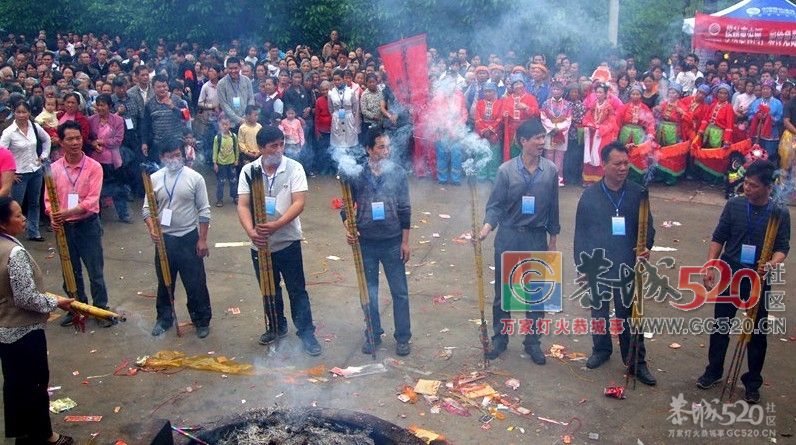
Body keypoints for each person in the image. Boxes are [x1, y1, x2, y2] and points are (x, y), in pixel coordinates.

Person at [696, 160, 789, 404]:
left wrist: (772, 263)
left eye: (753, 185)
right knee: (721, 325)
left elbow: (782, 248)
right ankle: (714, 370)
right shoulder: (735, 205)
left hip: (759, 276)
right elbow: (719, 237)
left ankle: (752, 381)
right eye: (746, 183)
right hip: (730, 272)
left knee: (756, 332)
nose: (747, 188)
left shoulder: (779, 212)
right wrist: (710, 265)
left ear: (768, 187)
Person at [476, 118, 560, 365]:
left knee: (536, 295)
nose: (541, 143)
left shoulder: (551, 171)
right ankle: (500, 339)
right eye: (537, 138)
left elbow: (554, 208)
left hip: (536, 238)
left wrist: (552, 241)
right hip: (509, 237)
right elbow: (495, 207)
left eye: (543, 138)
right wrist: (485, 230)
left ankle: (533, 342)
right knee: (503, 293)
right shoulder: (506, 171)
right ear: (523, 141)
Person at [573, 141, 656, 386]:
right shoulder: (590, 196)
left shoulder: (638, 193)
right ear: (604, 165)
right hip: (598, 263)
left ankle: (636, 361)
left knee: (629, 314)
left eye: (626, 163)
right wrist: (583, 267)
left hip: (627, 263)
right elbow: (581, 235)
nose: (623, 168)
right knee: (599, 309)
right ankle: (601, 349)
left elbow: (647, 226)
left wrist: (646, 248)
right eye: (617, 163)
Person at [236, 125, 322, 356]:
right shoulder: (249, 171)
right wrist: (250, 231)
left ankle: (306, 333)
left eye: (281, 144)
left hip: (288, 241)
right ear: (261, 148)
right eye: (273, 145)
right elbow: (243, 204)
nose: (279, 149)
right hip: (260, 243)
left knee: (297, 290)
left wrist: (278, 224)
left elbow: (298, 202)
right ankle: (276, 326)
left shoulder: (294, 168)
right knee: (268, 289)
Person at [0, 196, 75, 445]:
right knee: (34, 384)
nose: (23, 220)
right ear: (3, 223)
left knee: (15, 385)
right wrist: (57, 302)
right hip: (24, 329)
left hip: (4, 329)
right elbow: (26, 298)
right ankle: (44, 435)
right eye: (18, 216)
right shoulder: (14, 253)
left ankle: (22, 432)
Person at [342, 128, 412, 356]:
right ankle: (373, 333)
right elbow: (345, 206)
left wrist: (405, 241)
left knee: (399, 292)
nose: (386, 151)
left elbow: (405, 208)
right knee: (368, 292)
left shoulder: (398, 173)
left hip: (392, 241)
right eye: (381, 147)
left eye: (387, 146)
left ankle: (403, 337)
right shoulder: (356, 174)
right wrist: (349, 229)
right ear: (368, 149)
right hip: (366, 242)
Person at [45, 120, 114, 328]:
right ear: (61, 142)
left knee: (95, 270)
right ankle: (77, 307)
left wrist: (64, 213)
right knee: (70, 270)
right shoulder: (53, 169)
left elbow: (92, 202)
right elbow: (48, 199)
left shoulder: (94, 167)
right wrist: (52, 216)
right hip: (64, 228)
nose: (75, 143)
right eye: (70, 139)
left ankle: (101, 308)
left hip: (87, 225)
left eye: (78, 138)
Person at [143, 141, 212, 339]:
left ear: (183, 155)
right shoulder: (154, 179)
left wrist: (202, 239)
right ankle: (164, 319)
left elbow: (204, 210)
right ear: (162, 158)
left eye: (177, 155)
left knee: (196, 283)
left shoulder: (195, 178)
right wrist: (152, 228)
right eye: (169, 156)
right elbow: (147, 209)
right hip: (164, 239)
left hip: (189, 237)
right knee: (165, 282)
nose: (174, 159)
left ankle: (201, 320)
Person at [0, 100, 50, 242]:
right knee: (15, 205)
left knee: (35, 203)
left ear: (29, 113)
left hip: (35, 170)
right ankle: (10, 235)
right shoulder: (9, 132)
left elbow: (47, 140)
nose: (21, 115)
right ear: (14, 113)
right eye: (18, 112)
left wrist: (43, 157)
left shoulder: (34, 127)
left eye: (24, 112)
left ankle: (33, 232)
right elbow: (2, 152)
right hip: (19, 174)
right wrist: (10, 173)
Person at [88, 94, 130, 223]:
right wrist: (93, 143)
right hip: (96, 161)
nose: (100, 108)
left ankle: (123, 214)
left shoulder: (118, 120)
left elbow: (118, 140)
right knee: (96, 189)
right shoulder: (91, 120)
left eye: (103, 105)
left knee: (118, 188)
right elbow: (88, 138)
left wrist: (100, 141)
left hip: (113, 160)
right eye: (98, 105)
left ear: (110, 106)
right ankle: (97, 216)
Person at [141, 75, 189, 162]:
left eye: (164, 86)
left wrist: (173, 107)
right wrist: (144, 142)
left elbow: (186, 117)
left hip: (177, 143)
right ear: (153, 88)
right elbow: (145, 125)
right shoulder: (149, 104)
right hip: (159, 144)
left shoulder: (177, 100)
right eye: (159, 87)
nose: (162, 89)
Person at [582, 83, 618, 185]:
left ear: (606, 94)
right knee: (589, 155)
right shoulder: (593, 105)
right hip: (592, 134)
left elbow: (612, 122)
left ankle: (600, 180)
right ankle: (589, 179)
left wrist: (600, 128)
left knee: (600, 155)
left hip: (602, 135)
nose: (598, 94)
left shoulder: (609, 107)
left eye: (600, 92)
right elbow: (587, 117)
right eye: (596, 92)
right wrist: (588, 123)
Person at [540, 81, 572, 186]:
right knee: (548, 154)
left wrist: (559, 129)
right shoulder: (545, 103)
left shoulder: (568, 105)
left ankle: (559, 178)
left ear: (562, 91)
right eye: (554, 89)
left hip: (562, 133)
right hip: (550, 132)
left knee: (560, 156)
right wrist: (553, 128)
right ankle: (548, 177)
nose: (556, 91)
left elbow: (568, 120)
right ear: (551, 90)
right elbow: (544, 118)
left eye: (558, 89)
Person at [748, 80, 784, 165]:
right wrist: (756, 116)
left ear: (772, 90)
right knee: (755, 155)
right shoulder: (756, 102)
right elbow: (749, 115)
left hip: (771, 134)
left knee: (769, 155)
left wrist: (770, 118)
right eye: (763, 89)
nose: (765, 91)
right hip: (757, 133)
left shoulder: (777, 103)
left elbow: (781, 118)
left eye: (767, 89)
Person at [474, 82, 504, 181]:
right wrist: (483, 130)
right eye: (485, 91)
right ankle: (481, 175)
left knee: (494, 156)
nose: (487, 93)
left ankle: (493, 175)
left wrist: (490, 130)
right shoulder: (479, 103)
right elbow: (477, 118)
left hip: (494, 133)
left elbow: (500, 118)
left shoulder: (500, 103)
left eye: (490, 91)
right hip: (481, 133)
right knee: (481, 154)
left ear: (495, 92)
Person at [217, 57, 254, 127]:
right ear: (227, 68)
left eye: (235, 68)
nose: (233, 71)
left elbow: (251, 99)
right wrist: (238, 120)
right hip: (230, 124)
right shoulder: (221, 84)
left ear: (240, 67)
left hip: (247, 120)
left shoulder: (246, 80)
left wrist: (247, 115)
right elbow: (224, 105)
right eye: (230, 68)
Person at [212, 117, 239, 207]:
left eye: (226, 124)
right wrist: (215, 163)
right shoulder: (218, 138)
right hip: (221, 163)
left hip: (231, 163)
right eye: (222, 124)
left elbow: (236, 148)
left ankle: (235, 197)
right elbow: (215, 150)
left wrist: (236, 159)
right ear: (219, 125)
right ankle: (219, 199)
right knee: (221, 182)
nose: (224, 126)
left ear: (230, 125)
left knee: (233, 181)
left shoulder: (233, 137)